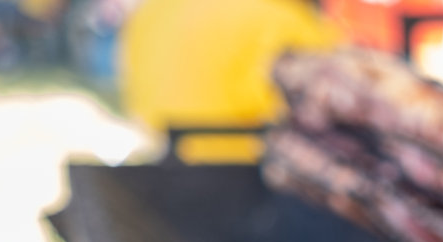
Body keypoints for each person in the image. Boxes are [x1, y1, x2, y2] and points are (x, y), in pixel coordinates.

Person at [119, 0, 345, 163]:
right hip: (247, 181)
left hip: (163, 166)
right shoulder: (281, 20)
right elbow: (337, 110)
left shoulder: (152, 10)